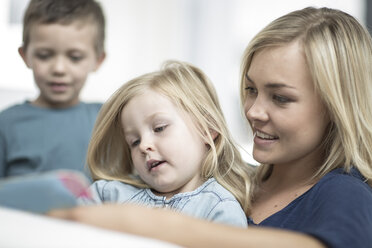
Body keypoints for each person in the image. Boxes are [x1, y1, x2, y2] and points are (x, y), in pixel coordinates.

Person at [48, 7, 372, 248]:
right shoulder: (235, 178)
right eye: (250, 90)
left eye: (281, 98)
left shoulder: (343, 191)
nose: (254, 111)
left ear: (335, 107)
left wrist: (152, 225)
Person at [77, 61, 251, 227]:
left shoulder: (220, 210)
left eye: (159, 128)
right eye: (134, 141)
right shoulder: (108, 195)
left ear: (208, 129)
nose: (144, 146)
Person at [0, 0, 106, 178]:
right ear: (25, 56)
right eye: (44, 55)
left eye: (75, 57)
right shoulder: (6, 124)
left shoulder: (108, 120)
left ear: (98, 60)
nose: (59, 69)